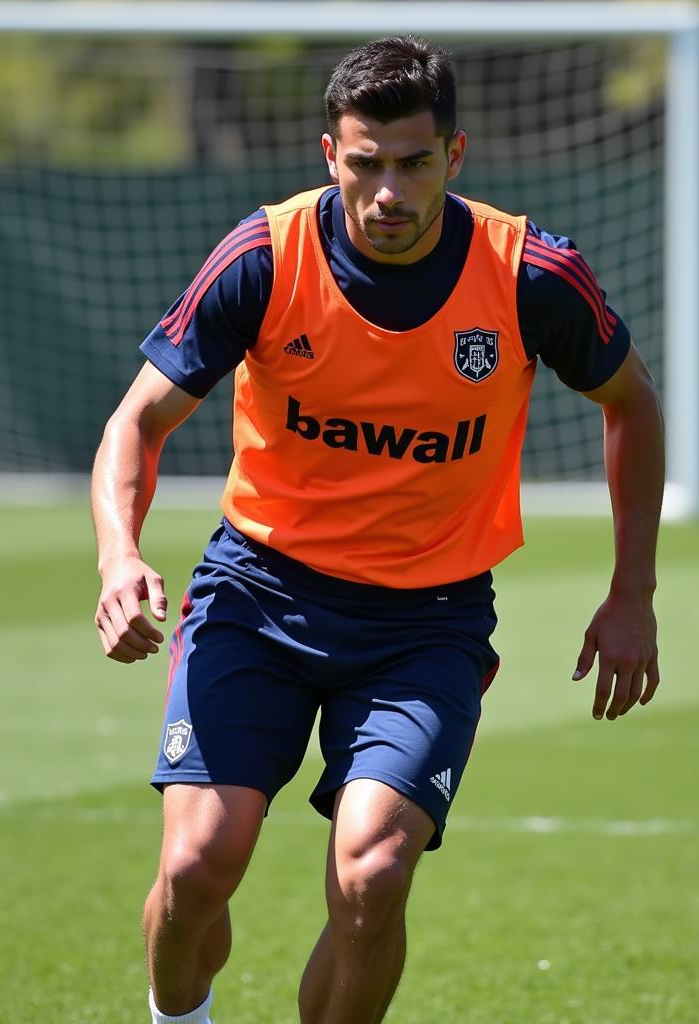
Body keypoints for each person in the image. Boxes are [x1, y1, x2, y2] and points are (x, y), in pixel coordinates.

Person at [91, 35, 663, 1024]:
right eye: (365, 163)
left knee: (373, 873)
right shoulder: (264, 257)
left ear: (456, 154)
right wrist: (119, 556)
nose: (388, 190)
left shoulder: (530, 274)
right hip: (256, 597)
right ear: (329, 155)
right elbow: (134, 423)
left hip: (424, 625)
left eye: (413, 163)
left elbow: (632, 403)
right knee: (195, 866)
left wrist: (632, 593)